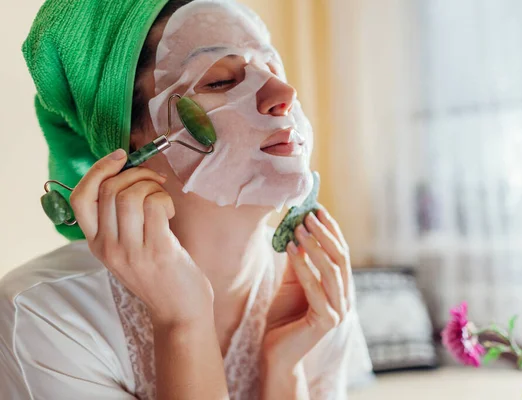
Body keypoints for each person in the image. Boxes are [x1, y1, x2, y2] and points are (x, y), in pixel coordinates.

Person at [0, 0, 373, 399]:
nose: (283, 94)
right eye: (219, 82)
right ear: (130, 140)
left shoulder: (312, 285)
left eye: (275, 70)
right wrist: (183, 322)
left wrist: (286, 369)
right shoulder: (45, 314)